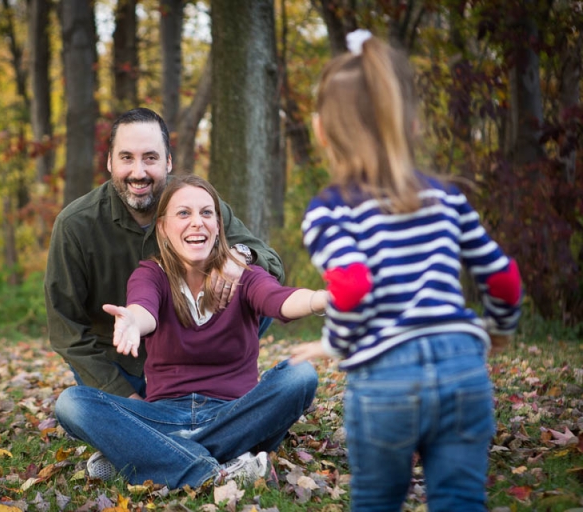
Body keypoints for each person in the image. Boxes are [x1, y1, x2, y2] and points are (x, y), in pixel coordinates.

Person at [289, 30, 522, 511]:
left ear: (322, 132)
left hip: (385, 377)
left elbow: (351, 286)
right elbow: (503, 278)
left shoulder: (331, 210)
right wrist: (498, 330)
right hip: (464, 369)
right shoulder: (446, 196)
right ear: (411, 126)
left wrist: (337, 344)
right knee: (460, 499)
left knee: (377, 500)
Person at [54, 175, 325, 489]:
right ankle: (215, 470)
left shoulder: (244, 276)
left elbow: (280, 300)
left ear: (219, 226)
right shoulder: (150, 274)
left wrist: (324, 299)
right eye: (184, 214)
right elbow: (145, 310)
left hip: (235, 414)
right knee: (71, 403)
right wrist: (132, 320)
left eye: (206, 213)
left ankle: (147, 456)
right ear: (163, 228)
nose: (197, 222)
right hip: (164, 416)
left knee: (301, 375)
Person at [44, 107, 285, 401]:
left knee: (253, 291)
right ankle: (156, 422)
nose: (139, 172)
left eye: (150, 158)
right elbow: (65, 329)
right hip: (121, 366)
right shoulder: (75, 225)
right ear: (109, 161)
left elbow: (271, 265)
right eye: (126, 158)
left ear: (168, 162)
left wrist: (239, 257)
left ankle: (219, 390)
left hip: (191, 356)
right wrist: (124, 397)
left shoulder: (199, 206)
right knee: (73, 406)